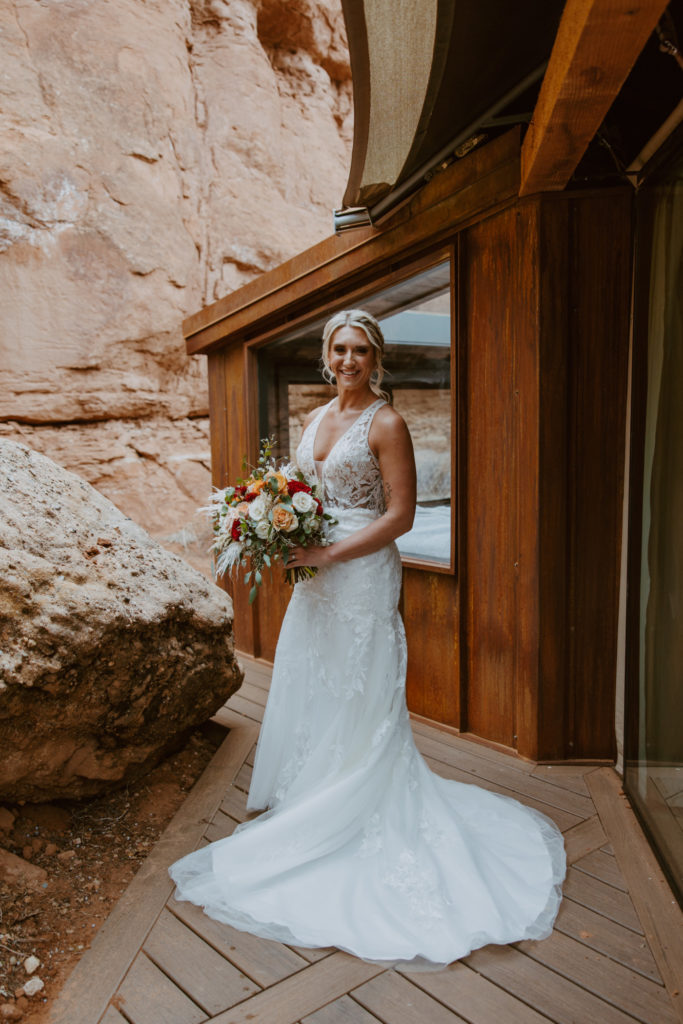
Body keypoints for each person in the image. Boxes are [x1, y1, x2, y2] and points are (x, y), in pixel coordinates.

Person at [169, 309, 566, 968]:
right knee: (314, 678)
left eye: (359, 350)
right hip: (315, 575)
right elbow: (299, 491)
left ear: (373, 358)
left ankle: (352, 804)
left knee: (360, 686)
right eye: (340, 348)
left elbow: (400, 515)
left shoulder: (385, 422)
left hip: (358, 576)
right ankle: (311, 796)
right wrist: (279, 527)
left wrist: (328, 555)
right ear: (327, 356)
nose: (349, 359)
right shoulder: (317, 417)